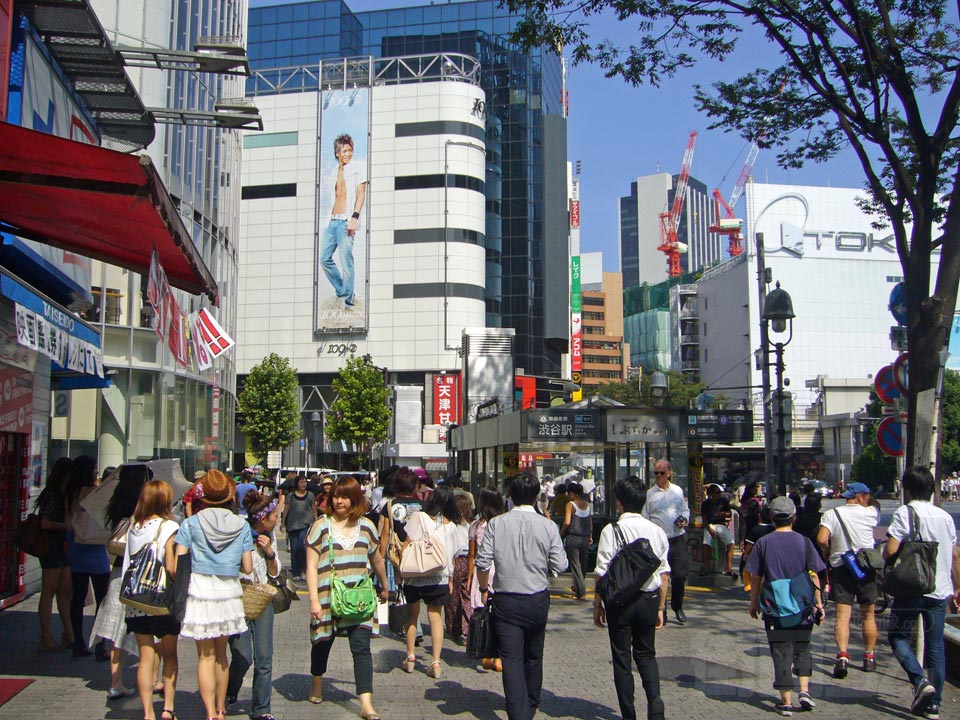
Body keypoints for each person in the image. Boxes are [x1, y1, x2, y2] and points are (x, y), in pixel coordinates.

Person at [476, 472, 568, 720]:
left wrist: (484, 589)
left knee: (511, 659)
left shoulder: (497, 524)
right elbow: (561, 564)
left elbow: (482, 563)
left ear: (510, 496)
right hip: (537, 599)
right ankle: (531, 704)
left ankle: (518, 713)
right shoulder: (548, 526)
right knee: (534, 654)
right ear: (538, 496)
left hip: (506, 600)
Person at [305, 476, 388, 719]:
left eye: (345, 496)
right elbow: (310, 567)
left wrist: (385, 586)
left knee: (361, 649)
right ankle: (317, 681)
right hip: (327, 596)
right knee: (322, 642)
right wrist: (313, 600)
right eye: (336, 496)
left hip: (359, 596)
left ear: (356, 499)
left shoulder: (366, 526)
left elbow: (377, 560)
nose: (339, 501)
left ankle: (366, 702)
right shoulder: (321, 526)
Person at [175, 470, 254, 720]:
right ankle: (221, 708)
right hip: (228, 591)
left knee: (205, 656)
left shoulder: (191, 523)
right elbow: (249, 567)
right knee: (222, 655)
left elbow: (179, 560)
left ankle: (209, 712)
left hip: (200, 590)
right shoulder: (241, 525)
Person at [885, 466, 960, 720]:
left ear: (907, 489)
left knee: (897, 636)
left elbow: (891, 549)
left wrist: (885, 553)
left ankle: (919, 681)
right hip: (939, 590)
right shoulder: (944, 517)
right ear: (932, 489)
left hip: (911, 589)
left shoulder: (905, 513)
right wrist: (957, 586)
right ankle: (935, 705)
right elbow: (955, 555)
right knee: (936, 646)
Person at [593, 476, 669, 720]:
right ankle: (655, 701)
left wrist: (598, 605)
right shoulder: (656, 531)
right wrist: (660, 607)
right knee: (646, 654)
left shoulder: (610, 530)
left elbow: (601, 573)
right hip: (648, 599)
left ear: (619, 503)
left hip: (619, 603)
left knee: (622, 658)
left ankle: (629, 713)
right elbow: (664, 575)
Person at [745, 496, 826, 716]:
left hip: (775, 606)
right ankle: (805, 690)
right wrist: (819, 604)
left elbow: (756, 578)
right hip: (803, 605)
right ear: (794, 517)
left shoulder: (764, 543)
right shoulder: (804, 541)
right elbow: (814, 575)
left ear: (771, 517)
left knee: (781, 651)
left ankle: (786, 701)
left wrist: (754, 604)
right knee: (803, 646)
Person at [91, 464, 152, 700]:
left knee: (118, 628)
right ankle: (153, 678)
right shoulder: (142, 507)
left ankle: (115, 680)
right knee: (147, 627)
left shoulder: (117, 504)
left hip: (118, 572)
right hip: (141, 572)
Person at [124, 480, 181, 720]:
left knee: (145, 657)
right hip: (162, 601)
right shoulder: (168, 527)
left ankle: (147, 713)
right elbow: (171, 567)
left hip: (136, 601)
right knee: (169, 654)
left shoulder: (133, 527)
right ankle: (167, 708)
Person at [226, 489, 283, 720]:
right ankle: (230, 688)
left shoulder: (270, 537)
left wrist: (269, 552)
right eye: (274, 516)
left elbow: (275, 573)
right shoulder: (240, 535)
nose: (277, 518)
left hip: (263, 600)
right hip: (238, 599)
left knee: (264, 657)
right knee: (242, 656)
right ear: (262, 518)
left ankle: (261, 708)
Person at [816, 481, 880, 678]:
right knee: (868, 615)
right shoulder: (870, 513)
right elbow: (875, 506)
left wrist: (828, 551)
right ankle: (869, 657)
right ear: (861, 496)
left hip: (842, 567)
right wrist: (869, 498)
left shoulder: (831, 514)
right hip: (866, 568)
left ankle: (842, 657)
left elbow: (821, 539)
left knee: (843, 615)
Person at [400, 485, 461, 678]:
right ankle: (435, 662)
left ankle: (410, 657)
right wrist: (450, 579)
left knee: (412, 616)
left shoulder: (419, 517)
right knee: (435, 619)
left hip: (415, 574)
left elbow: (407, 544)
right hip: (439, 576)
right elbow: (452, 556)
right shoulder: (451, 526)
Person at [64, 455, 111, 657]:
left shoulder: (69, 493)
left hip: (76, 547)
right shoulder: (96, 492)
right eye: (94, 469)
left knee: (77, 597)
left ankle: (78, 641)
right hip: (96, 548)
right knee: (102, 599)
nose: (96, 472)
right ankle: (100, 644)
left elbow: (68, 522)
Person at [320, 132, 366, 308]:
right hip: (332, 221)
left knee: (346, 262)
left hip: (346, 221)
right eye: (345, 151)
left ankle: (347, 301)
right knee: (324, 259)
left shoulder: (357, 168)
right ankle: (344, 291)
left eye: (350, 150)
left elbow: (361, 194)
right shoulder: (333, 172)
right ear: (337, 153)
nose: (348, 154)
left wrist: (354, 217)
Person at [641, 462, 690, 624]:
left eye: (662, 473)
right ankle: (662, 608)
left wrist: (684, 519)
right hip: (658, 541)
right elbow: (645, 517)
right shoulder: (649, 494)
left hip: (676, 538)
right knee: (661, 575)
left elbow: (684, 509)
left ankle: (678, 605)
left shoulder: (677, 491)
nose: (658, 476)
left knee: (679, 575)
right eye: (656, 473)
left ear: (669, 473)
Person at [35, 457, 73, 651]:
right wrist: (64, 526)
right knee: (49, 592)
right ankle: (45, 636)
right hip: (51, 546)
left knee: (65, 590)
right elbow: (45, 523)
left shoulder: (64, 494)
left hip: (61, 546)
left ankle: (68, 633)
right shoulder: (51, 494)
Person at [467, 487, 505, 672]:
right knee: (500, 615)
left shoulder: (475, 525)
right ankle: (499, 656)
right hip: (501, 571)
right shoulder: (504, 524)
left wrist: (468, 578)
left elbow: (472, 555)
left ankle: (486, 653)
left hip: (481, 572)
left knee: (483, 613)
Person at [445, 493, 473, 642]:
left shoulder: (451, 527)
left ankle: (454, 629)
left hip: (455, 561)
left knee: (453, 597)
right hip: (469, 560)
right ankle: (469, 627)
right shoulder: (469, 526)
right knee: (467, 594)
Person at [560, 481, 592, 600]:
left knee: (575, 565)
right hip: (584, 537)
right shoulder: (587, 505)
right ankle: (579, 586)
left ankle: (581, 591)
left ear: (572, 494)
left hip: (573, 537)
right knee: (583, 564)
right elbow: (590, 522)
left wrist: (561, 534)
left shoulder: (570, 505)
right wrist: (590, 535)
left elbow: (567, 522)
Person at [282, 475, 316, 580]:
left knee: (302, 548)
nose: (303, 484)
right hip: (293, 525)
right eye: (301, 482)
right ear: (297, 484)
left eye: (305, 482)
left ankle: (303, 570)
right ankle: (295, 572)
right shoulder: (290, 496)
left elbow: (314, 509)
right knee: (294, 549)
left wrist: (316, 521)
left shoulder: (310, 495)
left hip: (306, 525)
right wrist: (283, 522)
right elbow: (286, 510)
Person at [700, 483, 736, 576]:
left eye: (719, 493)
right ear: (711, 494)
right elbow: (704, 519)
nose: (719, 495)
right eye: (717, 493)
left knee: (730, 543)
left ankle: (729, 568)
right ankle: (705, 568)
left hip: (720, 525)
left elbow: (729, 514)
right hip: (710, 525)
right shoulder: (705, 504)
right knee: (706, 544)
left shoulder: (723, 502)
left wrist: (723, 514)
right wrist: (708, 528)